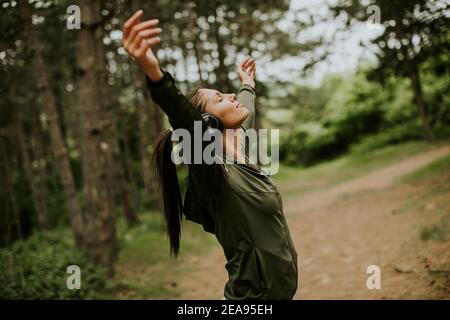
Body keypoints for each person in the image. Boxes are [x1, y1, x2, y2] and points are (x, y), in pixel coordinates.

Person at [122, 10, 298, 300]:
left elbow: (246, 107)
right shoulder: (211, 167)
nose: (230, 96)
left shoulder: (240, 147)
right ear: (208, 123)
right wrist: (154, 73)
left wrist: (247, 84)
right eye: (219, 98)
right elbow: (181, 114)